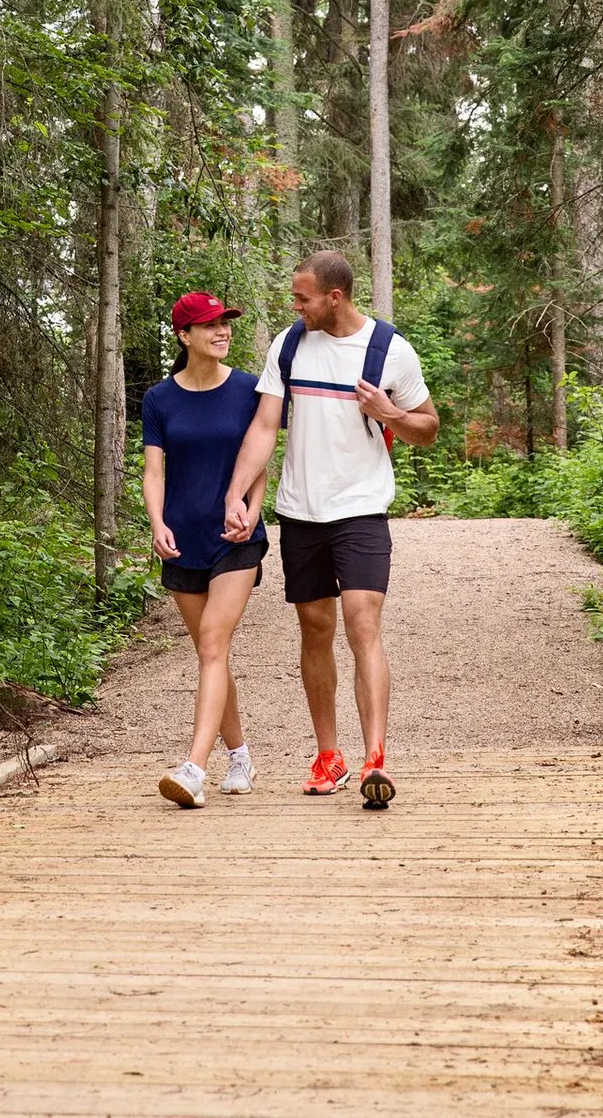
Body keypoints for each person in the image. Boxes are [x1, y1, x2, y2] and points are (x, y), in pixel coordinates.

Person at [223, 251, 439, 810]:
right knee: (315, 629)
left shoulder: (389, 349)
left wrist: (389, 413)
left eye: (303, 298)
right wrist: (239, 495)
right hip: (300, 512)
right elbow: (266, 424)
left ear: (334, 297)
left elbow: (428, 429)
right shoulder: (289, 345)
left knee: (362, 622)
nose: (296, 306)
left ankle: (375, 760)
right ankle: (329, 756)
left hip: (362, 508)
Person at [143, 292, 271, 809]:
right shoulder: (159, 398)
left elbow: (260, 459)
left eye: (226, 324)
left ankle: (193, 768)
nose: (223, 332)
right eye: (210, 326)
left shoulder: (248, 389)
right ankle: (240, 755)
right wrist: (156, 524)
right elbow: (154, 472)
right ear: (184, 336)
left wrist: (254, 512)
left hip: (236, 540)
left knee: (214, 645)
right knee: (210, 655)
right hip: (182, 540)